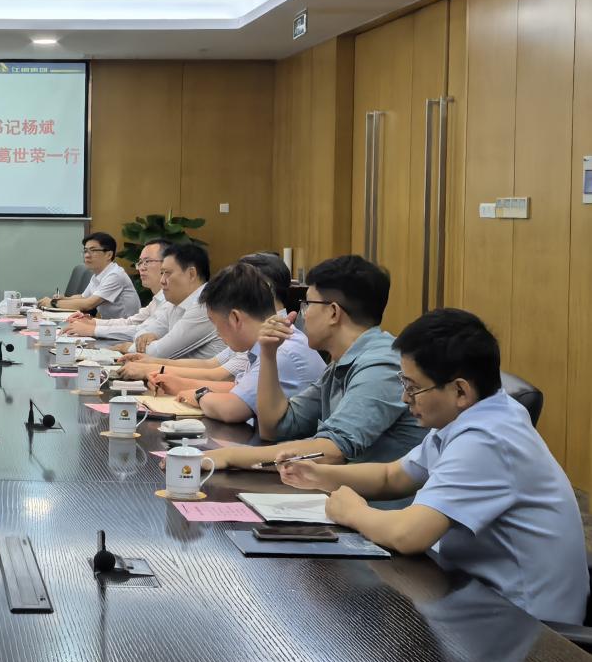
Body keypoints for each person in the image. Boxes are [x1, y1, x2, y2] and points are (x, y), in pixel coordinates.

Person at [279, 308, 587, 624]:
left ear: (460, 391)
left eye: (413, 387)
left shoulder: (488, 439)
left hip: (527, 626)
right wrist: (320, 474)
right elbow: (392, 476)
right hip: (478, 596)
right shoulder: (476, 415)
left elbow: (408, 534)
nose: (405, 398)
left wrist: (352, 512)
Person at [205, 254, 425, 469]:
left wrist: (231, 456)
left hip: (377, 495)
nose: (304, 315)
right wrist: (268, 354)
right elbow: (274, 428)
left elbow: (330, 452)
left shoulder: (381, 366)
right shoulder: (341, 364)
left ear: (333, 312)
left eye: (307, 304)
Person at [150, 260, 325, 422]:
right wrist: (177, 384)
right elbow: (238, 388)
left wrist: (199, 395)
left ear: (235, 318)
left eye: (215, 322)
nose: (217, 333)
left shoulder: (280, 349)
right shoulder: (268, 342)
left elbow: (232, 409)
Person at [118, 242, 224, 363]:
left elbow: (159, 353)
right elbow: (141, 334)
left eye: (167, 273)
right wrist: (153, 336)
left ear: (191, 274)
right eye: (162, 273)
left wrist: (128, 348)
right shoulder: (175, 302)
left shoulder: (205, 304)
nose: (162, 281)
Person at [64, 239, 172, 342]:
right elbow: (131, 322)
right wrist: (92, 322)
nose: (141, 268)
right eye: (140, 262)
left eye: (147, 261)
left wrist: (92, 329)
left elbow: (142, 331)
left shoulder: (171, 300)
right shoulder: (158, 299)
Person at [38, 232, 138, 320]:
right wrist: (63, 299)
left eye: (93, 250)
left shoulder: (115, 275)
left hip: (125, 329)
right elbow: (83, 297)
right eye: (85, 251)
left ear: (109, 255)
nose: (87, 255)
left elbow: (88, 304)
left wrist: (52, 303)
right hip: (110, 325)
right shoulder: (98, 275)